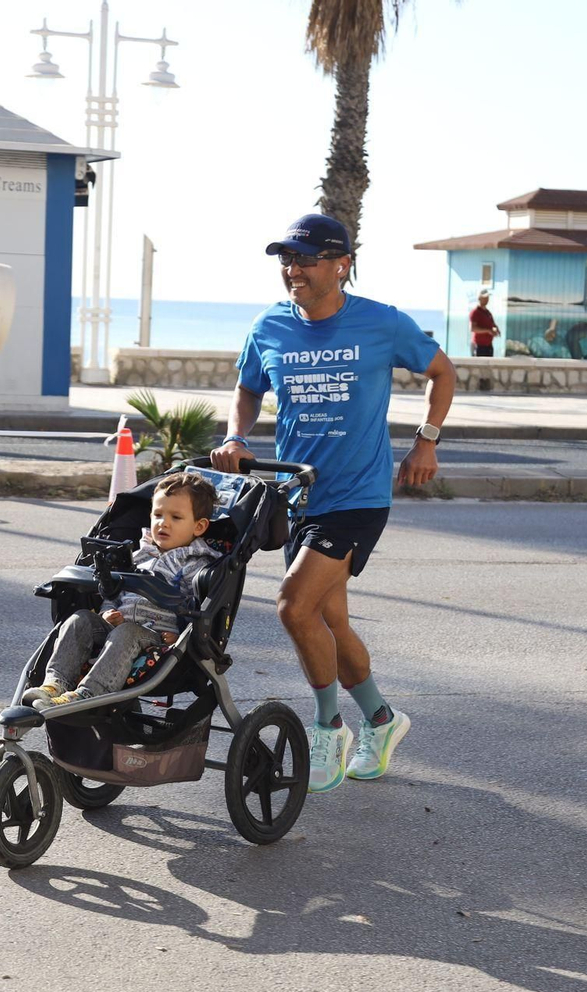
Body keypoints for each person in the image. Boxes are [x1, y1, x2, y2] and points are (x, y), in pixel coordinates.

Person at [210, 212, 455, 793]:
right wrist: (235, 436)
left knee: (294, 606)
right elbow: (248, 388)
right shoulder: (268, 326)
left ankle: (328, 727)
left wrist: (427, 440)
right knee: (329, 618)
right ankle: (382, 719)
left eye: (305, 259)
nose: (293, 270)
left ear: (342, 263)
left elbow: (442, 372)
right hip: (299, 494)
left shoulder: (382, 323)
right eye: (286, 260)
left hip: (359, 494)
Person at [23, 472, 222, 709]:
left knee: (128, 631)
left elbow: (196, 607)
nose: (163, 523)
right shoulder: (138, 555)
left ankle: (90, 692)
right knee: (80, 619)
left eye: (176, 517)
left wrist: (180, 634)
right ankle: (55, 683)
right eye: (157, 515)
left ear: (198, 526)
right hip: (114, 628)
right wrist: (107, 611)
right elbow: (114, 591)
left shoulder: (195, 564)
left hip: (156, 636)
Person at [469, 289, 500, 357]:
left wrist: (496, 329)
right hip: (479, 346)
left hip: (488, 346)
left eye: (487, 297)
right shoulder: (475, 312)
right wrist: (488, 331)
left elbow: (492, 324)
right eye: (484, 298)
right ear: (479, 298)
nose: (487, 299)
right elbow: (473, 328)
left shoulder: (488, 313)